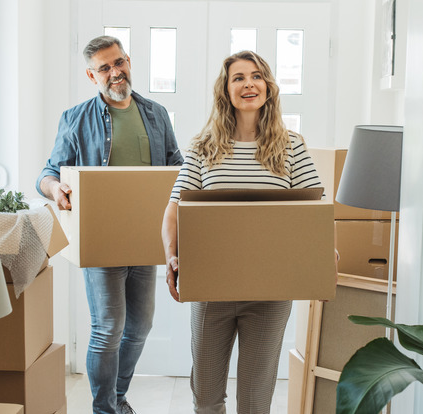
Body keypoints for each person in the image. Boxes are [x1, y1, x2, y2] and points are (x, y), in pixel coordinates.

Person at [161, 50, 323, 414]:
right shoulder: (203, 147)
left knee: (254, 400)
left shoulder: (291, 147)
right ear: (226, 90)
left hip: (270, 290)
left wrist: (324, 258)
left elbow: (315, 211)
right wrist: (170, 254)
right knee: (205, 397)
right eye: (238, 77)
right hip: (210, 287)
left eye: (256, 76)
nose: (248, 83)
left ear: (268, 86)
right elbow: (174, 209)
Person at [37, 35, 183, 414]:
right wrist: (55, 188)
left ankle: (116, 398)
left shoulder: (156, 114)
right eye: (105, 68)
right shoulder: (75, 118)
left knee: (140, 326)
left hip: (146, 237)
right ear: (92, 75)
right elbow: (49, 172)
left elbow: (177, 167)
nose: (115, 72)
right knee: (108, 328)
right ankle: (105, 409)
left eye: (119, 62)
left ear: (129, 61)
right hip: (101, 240)